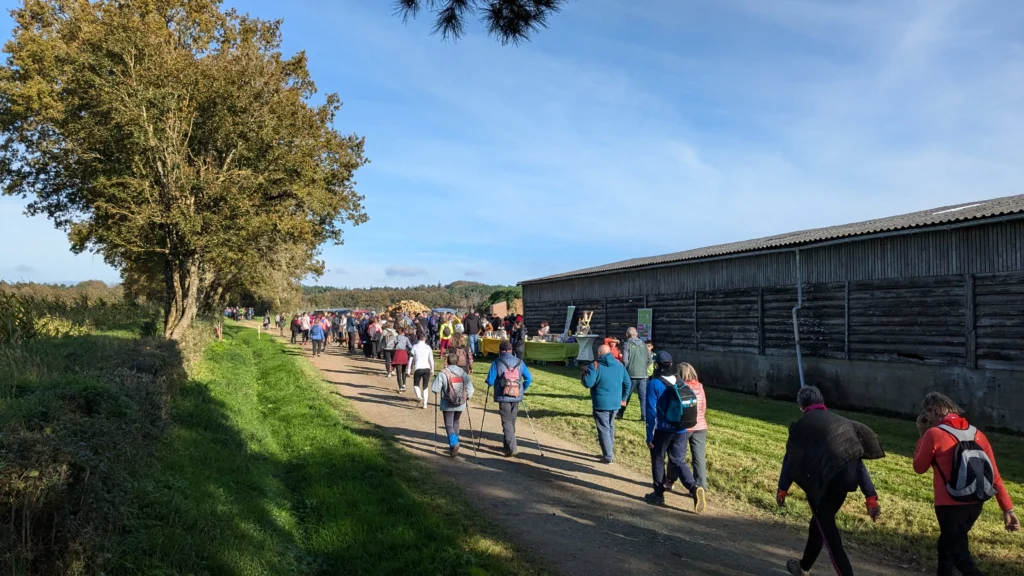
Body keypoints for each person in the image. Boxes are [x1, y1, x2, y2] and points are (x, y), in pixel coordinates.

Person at [777, 386, 884, 576]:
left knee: (829, 535)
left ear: (801, 405)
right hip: (845, 483)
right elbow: (857, 463)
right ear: (822, 402)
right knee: (818, 524)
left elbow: (790, 460)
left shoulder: (801, 426)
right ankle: (803, 566)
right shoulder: (842, 423)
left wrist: (782, 489)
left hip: (822, 486)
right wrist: (870, 497)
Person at [912, 392, 1019, 576]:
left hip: (949, 503)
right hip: (975, 501)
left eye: (926, 413)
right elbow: (995, 475)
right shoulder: (977, 434)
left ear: (931, 411)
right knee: (946, 549)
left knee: (960, 556)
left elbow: (919, 467)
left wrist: (922, 435)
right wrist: (1007, 509)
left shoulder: (933, 434)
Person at [644, 351, 705, 512]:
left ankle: (658, 494)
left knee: (658, 458)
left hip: (663, 429)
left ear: (656, 365)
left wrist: (649, 435)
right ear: (671, 364)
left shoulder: (654, 383)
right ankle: (693, 488)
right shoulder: (680, 381)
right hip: (681, 428)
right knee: (678, 461)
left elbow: (650, 412)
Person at [582, 344, 631, 464]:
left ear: (599, 353)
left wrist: (584, 375)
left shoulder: (595, 366)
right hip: (615, 403)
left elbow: (588, 383)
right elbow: (628, 383)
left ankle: (608, 455)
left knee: (603, 429)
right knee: (610, 426)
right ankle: (608, 451)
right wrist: (624, 398)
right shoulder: (619, 365)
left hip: (601, 403)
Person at [484, 340, 534, 457]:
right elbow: (529, 378)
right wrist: (522, 389)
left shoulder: (497, 362)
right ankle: (507, 446)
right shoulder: (520, 362)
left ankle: (512, 448)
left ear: (500, 351)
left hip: (503, 395)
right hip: (516, 395)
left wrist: (489, 382)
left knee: (506, 422)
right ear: (511, 350)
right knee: (511, 421)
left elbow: (490, 381)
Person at [431, 352, 475, 457]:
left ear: (447, 361)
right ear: (457, 361)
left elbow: (434, 389)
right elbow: (471, 389)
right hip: (461, 402)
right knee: (456, 421)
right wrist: (466, 397)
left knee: (449, 424)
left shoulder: (443, 373)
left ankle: (454, 443)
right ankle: (455, 443)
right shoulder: (463, 373)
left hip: (448, 402)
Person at [619, 327, 652, 421]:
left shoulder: (626, 344)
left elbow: (625, 360)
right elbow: (650, 360)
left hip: (631, 374)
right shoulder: (644, 344)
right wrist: (643, 367)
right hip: (644, 375)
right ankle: (644, 416)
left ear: (626, 335)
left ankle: (620, 413)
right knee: (643, 397)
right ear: (636, 334)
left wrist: (625, 369)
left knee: (626, 394)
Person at [408, 330, 434, 409]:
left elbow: (410, 359)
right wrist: (432, 369)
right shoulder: (428, 347)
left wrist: (408, 369)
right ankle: (425, 404)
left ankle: (419, 396)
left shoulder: (414, 347)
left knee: (416, 384)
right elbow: (431, 360)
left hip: (418, 368)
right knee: (425, 386)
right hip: (427, 368)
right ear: (425, 338)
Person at [392, 326, 413, 393]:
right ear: (403, 332)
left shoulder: (395, 338)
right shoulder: (406, 338)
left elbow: (391, 345)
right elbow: (410, 346)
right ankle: (404, 385)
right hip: (404, 353)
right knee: (404, 371)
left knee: (398, 372)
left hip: (398, 353)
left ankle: (400, 387)